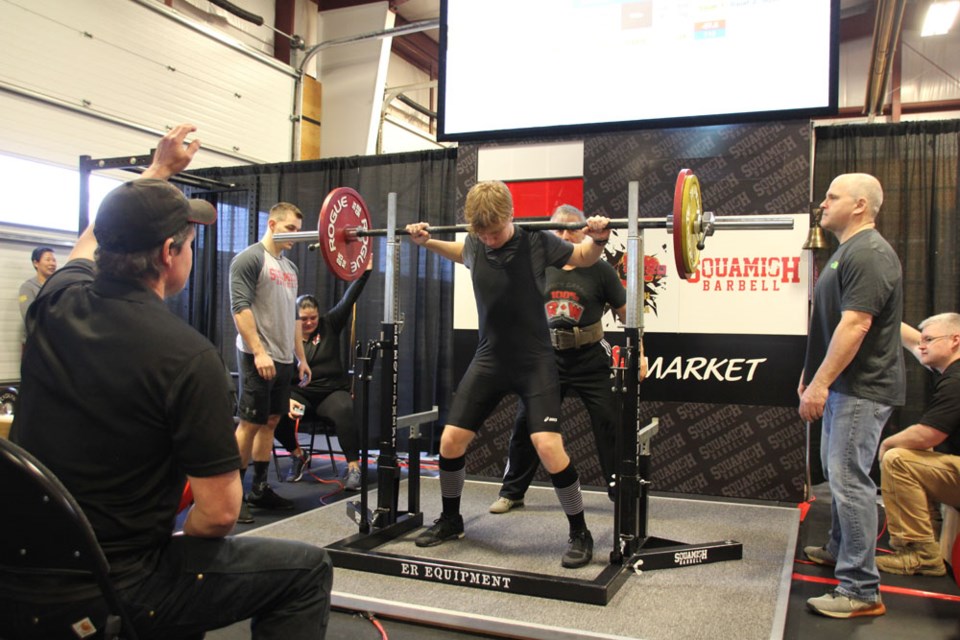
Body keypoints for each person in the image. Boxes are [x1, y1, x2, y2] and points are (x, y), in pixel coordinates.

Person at [5, 124, 332, 639]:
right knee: (308, 571)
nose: (192, 251)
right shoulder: (187, 357)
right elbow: (220, 514)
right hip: (122, 585)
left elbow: (90, 241)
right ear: (168, 254)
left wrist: (157, 172)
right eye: (191, 242)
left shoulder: (55, 302)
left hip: (20, 574)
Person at [405, 181, 611, 569]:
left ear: (511, 216)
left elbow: (583, 256)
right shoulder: (476, 243)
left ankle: (579, 531)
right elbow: (460, 251)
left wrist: (598, 239)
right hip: (490, 360)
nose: (490, 240)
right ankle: (451, 519)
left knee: (548, 447)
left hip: (534, 361)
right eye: (481, 234)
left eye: (495, 232)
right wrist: (426, 241)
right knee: (450, 441)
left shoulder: (536, 241)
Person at [799, 173, 905, 619]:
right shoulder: (848, 252)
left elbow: (856, 326)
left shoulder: (870, 253)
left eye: (832, 197)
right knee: (838, 475)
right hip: (845, 385)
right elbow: (832, 322)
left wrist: (820, 383)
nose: (823, 204)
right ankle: (841, 548)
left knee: (849, 480)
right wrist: (811, 375)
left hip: (861, 388)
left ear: (860, 205)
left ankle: (861, 589)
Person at [490, 204, 640, 513]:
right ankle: (512, 492)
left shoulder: (600, 270)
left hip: (589, 359)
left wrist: (642, 354)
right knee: (525, 423)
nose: (564, 235)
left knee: (610, 422)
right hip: (546, 359)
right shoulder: (536, 267)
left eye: (572, 229)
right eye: (557, 229)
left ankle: (621, 494)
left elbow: (629, 315)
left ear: (585, 231)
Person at [230, 201, 312, 523]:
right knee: (249, 424)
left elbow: (292, 318)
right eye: (291, 228)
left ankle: (259, 490)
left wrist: (300, 358)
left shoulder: (290, 268)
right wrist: (259, 351)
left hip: (283, 358)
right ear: (272, 224)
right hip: (256, 356)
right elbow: (239, 308)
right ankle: (234, 495)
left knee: (271, 422)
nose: (295, 235)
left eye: (298, 229)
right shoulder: (249, 259)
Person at [875, 313, 960, 576]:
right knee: (916, 454)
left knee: (898, 458)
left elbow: (928, 435)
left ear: (955, 340)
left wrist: (887, 443)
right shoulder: (949, 369)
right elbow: (913, 341)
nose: (921, 346)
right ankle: (929, 535)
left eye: (930, 340)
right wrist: (879, 308)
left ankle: (920, 554)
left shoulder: (956, 380)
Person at [278, 256, 373, 490]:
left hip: (331, 393)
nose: (309, 323)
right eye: (304, 319)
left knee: (344, 409)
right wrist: (286, 398)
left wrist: (365, 272)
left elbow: (349, 298)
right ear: (295, 318)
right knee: (275, 411)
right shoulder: (285, 333)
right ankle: (299, 455)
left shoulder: (329, 324)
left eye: (313, 318)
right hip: (300, 394)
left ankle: (353, 467)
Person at [18, 246, 57, 319]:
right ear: (36, 263)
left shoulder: (59, 285)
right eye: (48, 260)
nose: (52, 263)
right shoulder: (27, 287)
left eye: (54, 260)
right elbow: (28, 316)